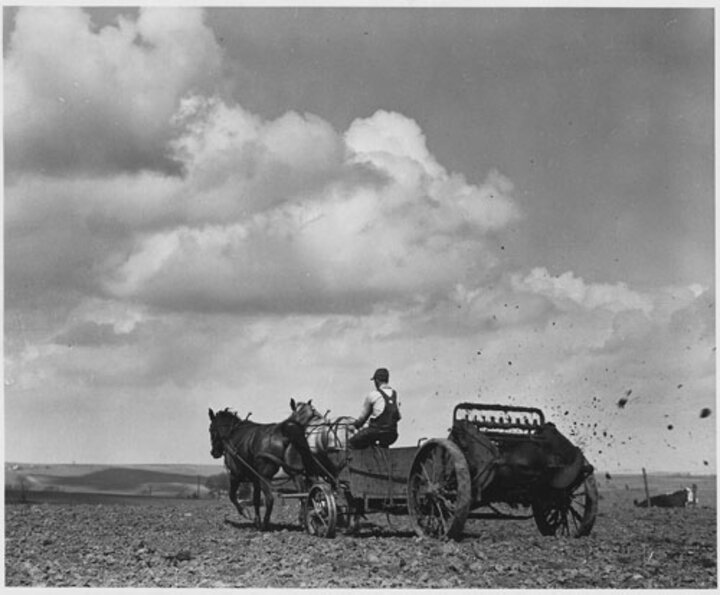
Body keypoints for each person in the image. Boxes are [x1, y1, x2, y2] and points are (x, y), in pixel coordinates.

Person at [348, 368, 401, 449]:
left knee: (351, 442)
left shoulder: (373, 395)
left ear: (377, 381)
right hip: (392, 435)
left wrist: (354, 426)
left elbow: (362, 419)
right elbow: (398, 417)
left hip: (375, 432)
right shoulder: (395, 395)